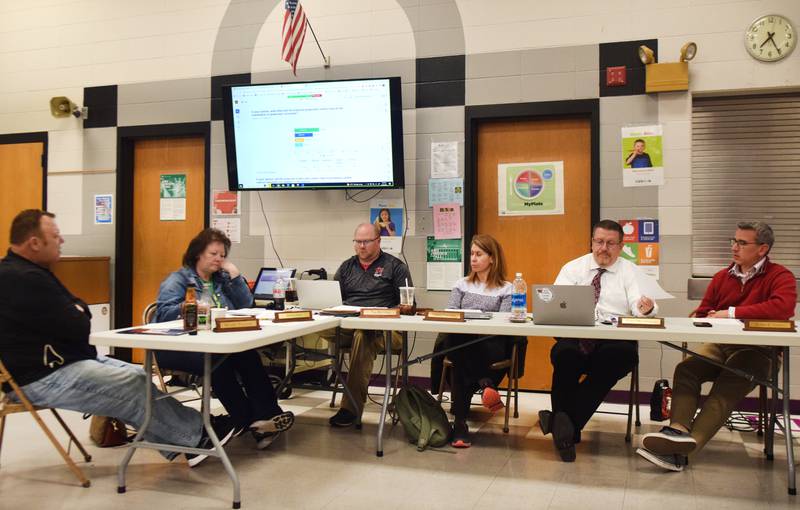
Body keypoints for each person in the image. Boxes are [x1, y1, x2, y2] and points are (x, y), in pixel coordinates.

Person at [0, 209, 232, 468]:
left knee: (141, 375)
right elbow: (77, 324)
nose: (61, 241)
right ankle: (195, 437)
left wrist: (75, 310)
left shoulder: (35, 272)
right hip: (39, 378)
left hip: (68, 361)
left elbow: (77, 313)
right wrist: (75, 310)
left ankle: (192, 434)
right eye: (55, 236)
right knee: (131, 383)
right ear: (34, 243)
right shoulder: (20, 278)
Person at [637, 221, 796, 472]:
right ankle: (677, 430)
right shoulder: (723, 276)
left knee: (728, 383)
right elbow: (702, 312)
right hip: (721, 345)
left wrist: (730, 313)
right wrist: (703, 317)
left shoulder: (780, 276)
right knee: (687, 370)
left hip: (760, 351)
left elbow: (782, 308)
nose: (734, 247)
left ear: (762, 249)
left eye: (742, 243)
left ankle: (683, 453)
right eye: (733, 241)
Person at [156, 228, 294, 449]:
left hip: (217, 341)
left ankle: (265, 418)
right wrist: (190, 307)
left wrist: (236, 276)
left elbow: (245, 305)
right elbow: (162, 315)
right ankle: (249, 421)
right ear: (197, 254)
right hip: (181, 347)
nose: (219, 259)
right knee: (219, 361)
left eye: (222, 255)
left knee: (247, 355)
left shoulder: (221, 279)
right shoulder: (179, 279)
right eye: (213, 254)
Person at [539, 219, 657, 462]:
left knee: (618, 357)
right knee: (564, 355)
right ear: (592, 242)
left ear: (621, 246)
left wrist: (646, 308)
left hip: (613, 340)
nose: (604, 248)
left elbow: (640, 305)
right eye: (599, 242)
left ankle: (563, 424)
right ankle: (568, 431)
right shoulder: (573, 268)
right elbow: (555, 302)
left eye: (611, 243)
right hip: (577, 335)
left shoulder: (630, 271)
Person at [432, 234, 526, 448]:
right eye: (472, 254)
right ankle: (486, 383)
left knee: (461, 362)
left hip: (490, 344)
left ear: (492, 259)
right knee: (457, 338)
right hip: (462, 342)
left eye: (479, 254)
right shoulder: (461, 284)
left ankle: (460, 424)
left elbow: (502, 323)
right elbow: (452, 314)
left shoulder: (507, 288)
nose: (473, 259)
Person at [328, 223, 412, 427]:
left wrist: (400, 309)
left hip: (386, 330)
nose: (361, 246)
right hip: (349, 324)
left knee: (362, 337)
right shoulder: (346, 267)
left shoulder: (396, 266)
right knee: (307, 327)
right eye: (357, 242)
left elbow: (409, 304)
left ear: (378, 241)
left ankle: (350, 409)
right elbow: (333, 299)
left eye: (366, 242)